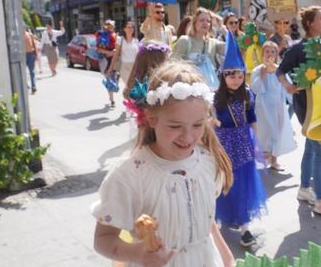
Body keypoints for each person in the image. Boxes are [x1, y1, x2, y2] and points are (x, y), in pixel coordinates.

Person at [92, 61, 235, 267]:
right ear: (151, 118)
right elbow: (103, 238)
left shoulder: (206, 161)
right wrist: (137, 253)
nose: (187, 136)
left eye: (197, 125)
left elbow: (203, 217)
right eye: (175, 126)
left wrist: (226, 256)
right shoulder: (129, 176)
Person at [277, 5, 321, 218]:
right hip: (307, 107)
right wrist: (288, 86)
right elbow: (280, 71)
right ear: (310, 23)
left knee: (313, 148)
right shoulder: (297, 48)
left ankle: (305, 189)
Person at [214, 31, 267, 247]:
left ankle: (245, 226)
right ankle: (228, 218)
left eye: (239, 75)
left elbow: (252, 116)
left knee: (244, 184)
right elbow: (213, 122)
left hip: (244, 143)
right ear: (223, 76)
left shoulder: (247, 93)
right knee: (226, 183)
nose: (236, 79)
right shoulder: (216, 98)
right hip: (223, 145)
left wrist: (257, 141)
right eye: (231, 75)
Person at [251, 41, 296, 171]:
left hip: (278, 105)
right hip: (263, 106)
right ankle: (264, 157)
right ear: (262, 54)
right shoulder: (258, 70)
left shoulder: (280, 70)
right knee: (265, 132)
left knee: (278, 131)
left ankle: (275, 160)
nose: (270, 54)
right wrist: (262, 75)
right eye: (267, 52)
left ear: (276, 55)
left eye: (273, 52)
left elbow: (286, 86)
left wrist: (293, 99)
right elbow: (255, 89)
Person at [171, 8, 225, 88]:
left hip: (210, 89)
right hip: (190, 88)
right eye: (201, 20)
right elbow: (172, 64)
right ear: (194, 22)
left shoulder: (213, 42)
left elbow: (231, 49)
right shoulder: (185, 40)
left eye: (208, 21)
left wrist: (223, 29)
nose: (205, 23)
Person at [109, 20, 139, 102]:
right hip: (124, 66)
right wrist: (110, 68)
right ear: (124, 29)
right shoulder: (120, 39)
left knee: (135, 87)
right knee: (129, 86)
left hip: (135, 67)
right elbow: (116, 55)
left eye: (132, 27)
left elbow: (138, 56)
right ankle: (130, 105)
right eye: (128, 27)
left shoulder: (136, 40)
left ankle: (131, 104)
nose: (130, 29)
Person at [96, 20, 118, 108]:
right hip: (106, 60)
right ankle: (112, 100)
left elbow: (119, 49)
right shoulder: (101, 35)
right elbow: (99, 49)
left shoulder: (117, 36)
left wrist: (113, 53)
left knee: (115, 80)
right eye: (108, 25)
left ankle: (111, 97)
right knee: (110, 80)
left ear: (114, 26)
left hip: (116, 60)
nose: (109, 27)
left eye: (111, 25)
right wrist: (109, 52)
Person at [23, 29, 39, 94]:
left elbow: (34, 44)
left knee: (32, 72)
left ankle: (33, 86)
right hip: (23, 55)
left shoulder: (29, 35)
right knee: (23, 72)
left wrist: (36, 54)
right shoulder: (18, 35)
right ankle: (26, 86)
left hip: (30, 54)